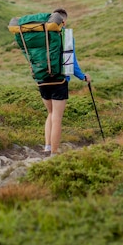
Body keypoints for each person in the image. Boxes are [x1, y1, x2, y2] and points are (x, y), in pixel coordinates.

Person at [38, 8, 91, 157]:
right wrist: (83, 76)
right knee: (57, 117)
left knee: (50, 113)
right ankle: (54, 154)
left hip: (41, 79)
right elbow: (71, 62)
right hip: (59, 80)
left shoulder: (42, 34)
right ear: (64, 21)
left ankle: (47, 147)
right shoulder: (65, 36)